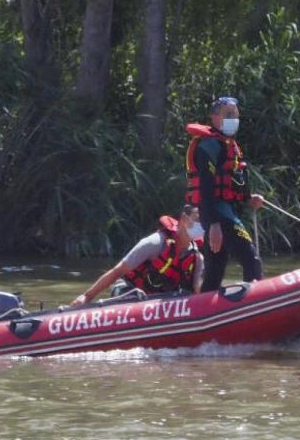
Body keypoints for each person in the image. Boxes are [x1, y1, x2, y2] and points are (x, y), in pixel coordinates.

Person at [185, 96, 265, 292]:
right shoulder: (209, 145)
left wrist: (248, 198)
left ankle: (204, 311)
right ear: (214, 117)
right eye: (228, 114)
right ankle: (254, 309)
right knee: (251, 259)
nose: (234, 119)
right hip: (215, 214)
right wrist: (213, 224)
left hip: (221, 211)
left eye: (236, 115)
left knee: (215, 269)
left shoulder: (228, 144)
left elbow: (231, 183)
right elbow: (206, 188)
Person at [70, 205, 205, 306]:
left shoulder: (197, 258)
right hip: (129, 293)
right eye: (198, 219)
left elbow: (198, 288)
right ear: (183, 219)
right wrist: (87, 296)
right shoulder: (155, 243)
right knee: (136, 296)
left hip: (159, 305)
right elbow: (118, 271)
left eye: (205, 221)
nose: (202, 225)